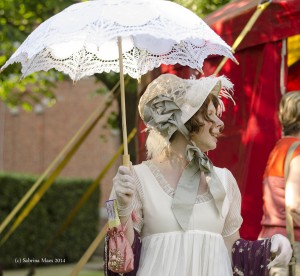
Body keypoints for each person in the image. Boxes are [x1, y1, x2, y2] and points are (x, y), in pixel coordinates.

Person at [105, 73, 292, 276]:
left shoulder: (224, 181)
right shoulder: (133, 180)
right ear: (183, 121)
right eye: (209, 115)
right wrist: (122, 210)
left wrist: (270, 248)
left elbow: (232, 254)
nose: (219, 123)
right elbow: (119, 264)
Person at [259, 91, 300, 275]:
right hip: (291, 246)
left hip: (270, 241)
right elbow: (295, 206)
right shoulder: (297, 150)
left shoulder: (278, 148)